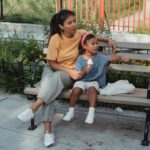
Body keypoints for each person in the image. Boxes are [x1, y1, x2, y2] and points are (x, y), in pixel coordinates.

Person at [17, 9, 116, 147]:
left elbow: (93, 37)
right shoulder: (55, 39)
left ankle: (33, 109)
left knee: (52, 84)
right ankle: (47, 132)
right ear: (61, 26)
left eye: (74, 21)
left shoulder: (79, 34)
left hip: (68, 74)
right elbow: (51, 63)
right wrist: (68, 70)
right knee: (50, 88)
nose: (74, 24)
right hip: (53, 69)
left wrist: (107, 39)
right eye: (70, 22)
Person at [63, 33, 129, 124]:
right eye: (93, 44)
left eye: (97, 43)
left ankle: (91, 113)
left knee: (92, 89)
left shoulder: (100, 57)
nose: (96, 46)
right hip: (82, 80)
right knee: (75, 90)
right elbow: (78, 76)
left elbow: (111, 58)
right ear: (85, 46)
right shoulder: (80, 59)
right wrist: (86, 70)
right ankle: (70, 111)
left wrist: (121, 58)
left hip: (94, 81)